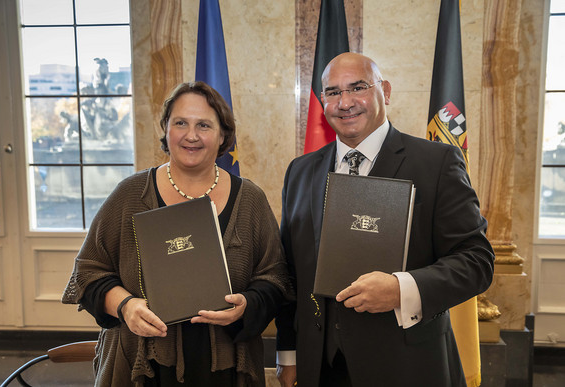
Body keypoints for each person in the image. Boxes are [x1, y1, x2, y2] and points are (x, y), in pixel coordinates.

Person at [275, 52, 495, 387]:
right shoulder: (300, 172)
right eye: (333, 92)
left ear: (386, 91)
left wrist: (401, 289)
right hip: (319, 367)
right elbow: (290, 271)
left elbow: (477, 261)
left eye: (358, 87)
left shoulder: (436, 163)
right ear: (323, 102)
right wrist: (288, 354)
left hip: (407, 365)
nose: (345, 102)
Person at [63, 81, 292, 386]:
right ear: (166, 129)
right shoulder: (129, 195)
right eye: (180, 122)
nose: (191, 135)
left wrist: (247, 305)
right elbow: (88, 272)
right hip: (141, 367)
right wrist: (125, 306)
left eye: (204, 125)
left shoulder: (249, 199)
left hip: (226, 369)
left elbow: (275, 278)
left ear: (223, 134)